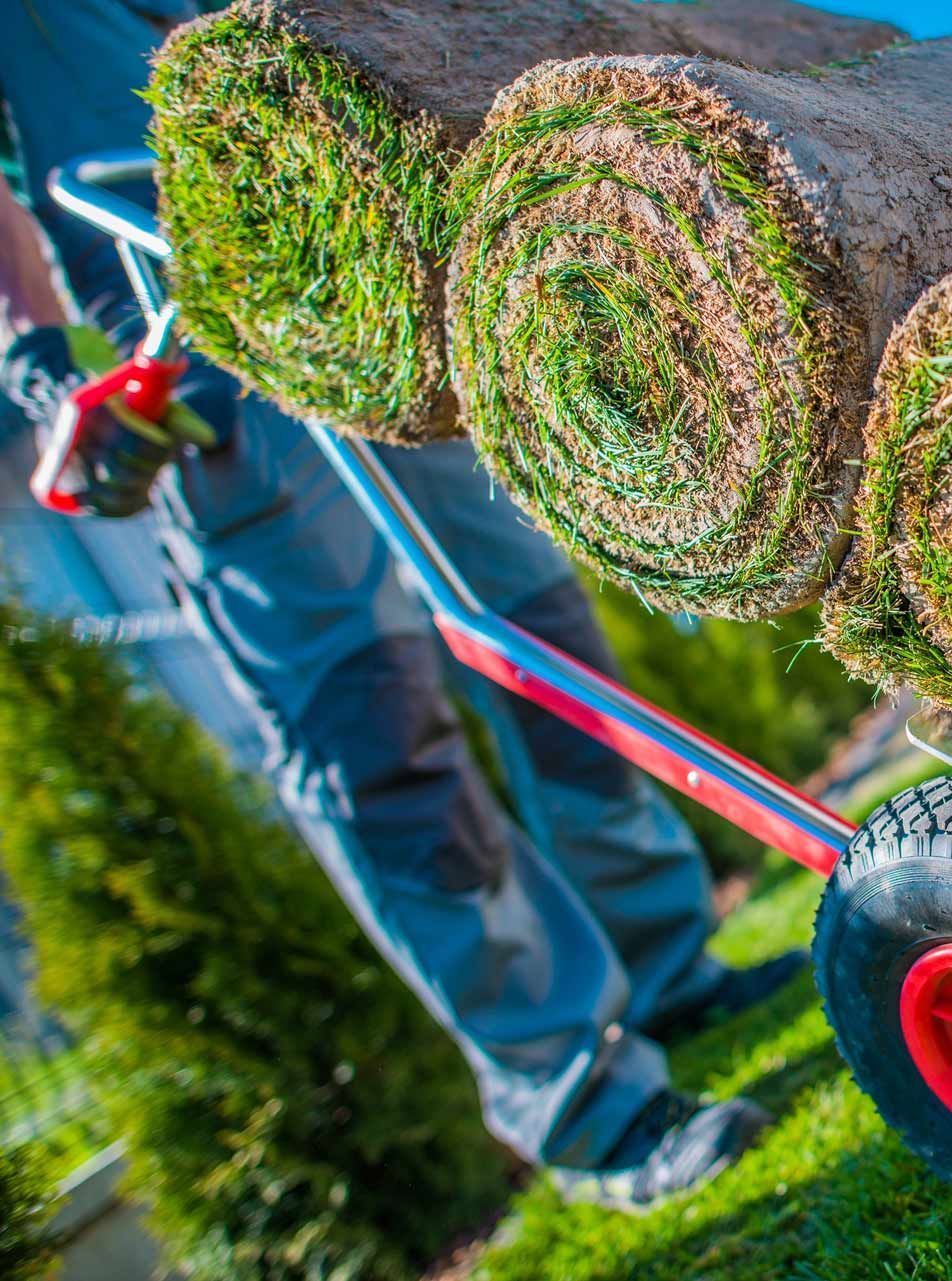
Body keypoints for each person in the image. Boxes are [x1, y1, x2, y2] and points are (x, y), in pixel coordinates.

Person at [0, 0, 802, 1213]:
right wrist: (44, 366)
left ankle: (670, 962)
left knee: (538, 624)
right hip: (184, 353)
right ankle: (579, 1096)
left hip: (368, 284)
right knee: (369, 730)